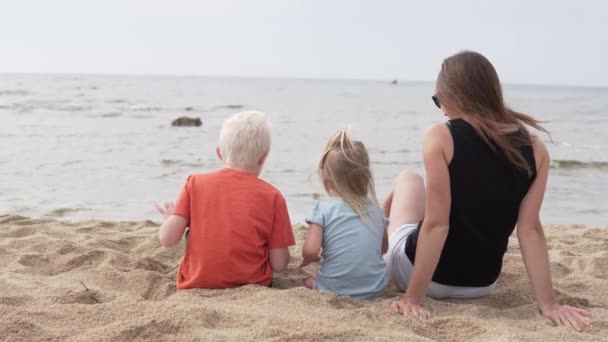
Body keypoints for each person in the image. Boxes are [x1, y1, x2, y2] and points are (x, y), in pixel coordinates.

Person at [385, 51, 592, 331]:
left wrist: (413, 297)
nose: (442, 110)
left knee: (407, 180)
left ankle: (376, 255)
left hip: (421, 277)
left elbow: (437, 225)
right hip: (481, 284)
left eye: (439, 100)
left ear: (455, 94)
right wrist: (549, 304)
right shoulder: (535, 149)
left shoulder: (441, 136)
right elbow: (530, 230)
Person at [155, 111, 295, 289]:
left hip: (196, 282)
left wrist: (169, 218)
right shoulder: (274, 196)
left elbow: (167, 239)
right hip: (253, 284)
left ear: (219, 153)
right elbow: (280, 264)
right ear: (264, 156)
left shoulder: (194, 183)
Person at [301, 128, 389, 300]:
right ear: (365, 177)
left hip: (332, 289)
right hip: (375, 288)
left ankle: (316, 283)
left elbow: (311, 251)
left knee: (311, 280)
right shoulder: (377, 211)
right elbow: (383, 248)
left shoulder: (323, 208)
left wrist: (308, 259)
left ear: (328, 180)